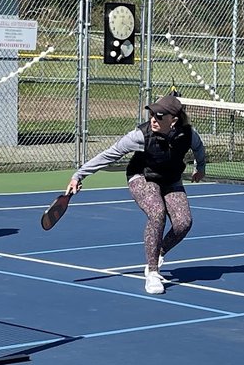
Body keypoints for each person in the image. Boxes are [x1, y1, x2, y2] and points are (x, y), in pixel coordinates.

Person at [66, 94, 206, 295]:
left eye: (159, 116)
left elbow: (199, 149)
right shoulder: (140, 136)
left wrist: (200, 167)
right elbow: (109, 154)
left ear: (173, 120)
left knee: (184, 223)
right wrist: (78, 176)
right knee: (157, 212)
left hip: (171, 179)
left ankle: (157, 252)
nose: (153, 120)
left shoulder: (188, 134)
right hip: (142, 177)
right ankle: (152, 273)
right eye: (151, 115)